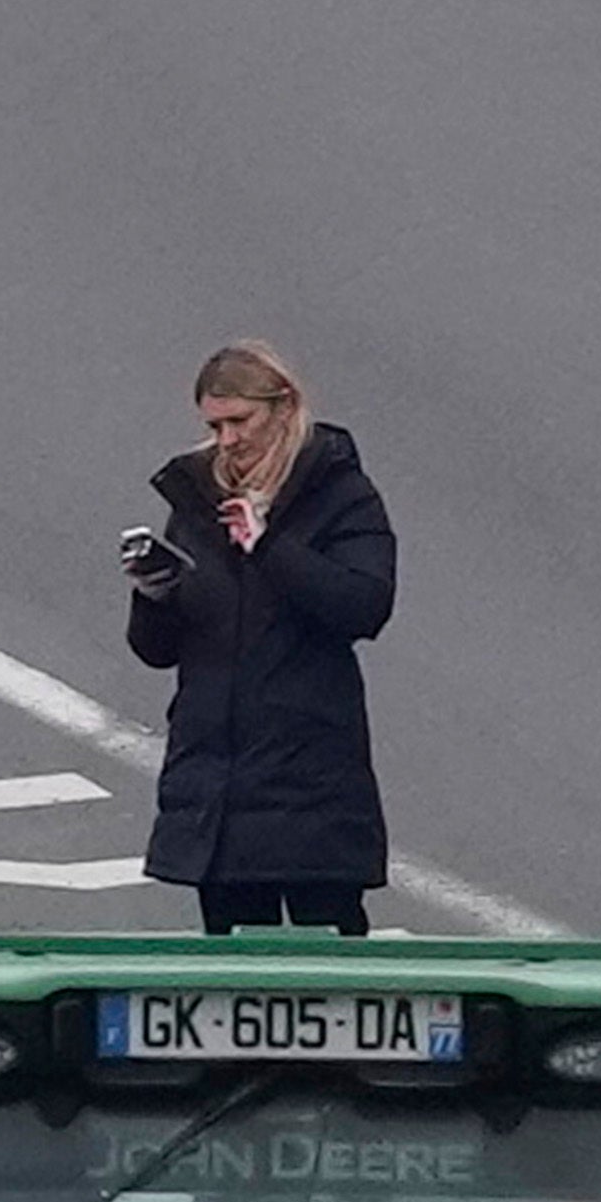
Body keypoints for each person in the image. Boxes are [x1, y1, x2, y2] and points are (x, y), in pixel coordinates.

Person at [127, 345, 396, 928]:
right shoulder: (198, 501)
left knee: (330, 983)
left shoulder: (341, 494)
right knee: (230, 976)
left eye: (238, 422)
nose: (226, 440)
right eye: (214, 426)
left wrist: (269, 545)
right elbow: (156, 651)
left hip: (311, 791)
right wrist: (152, 595)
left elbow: (365, 605)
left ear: (283, 408)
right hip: (216, 797)